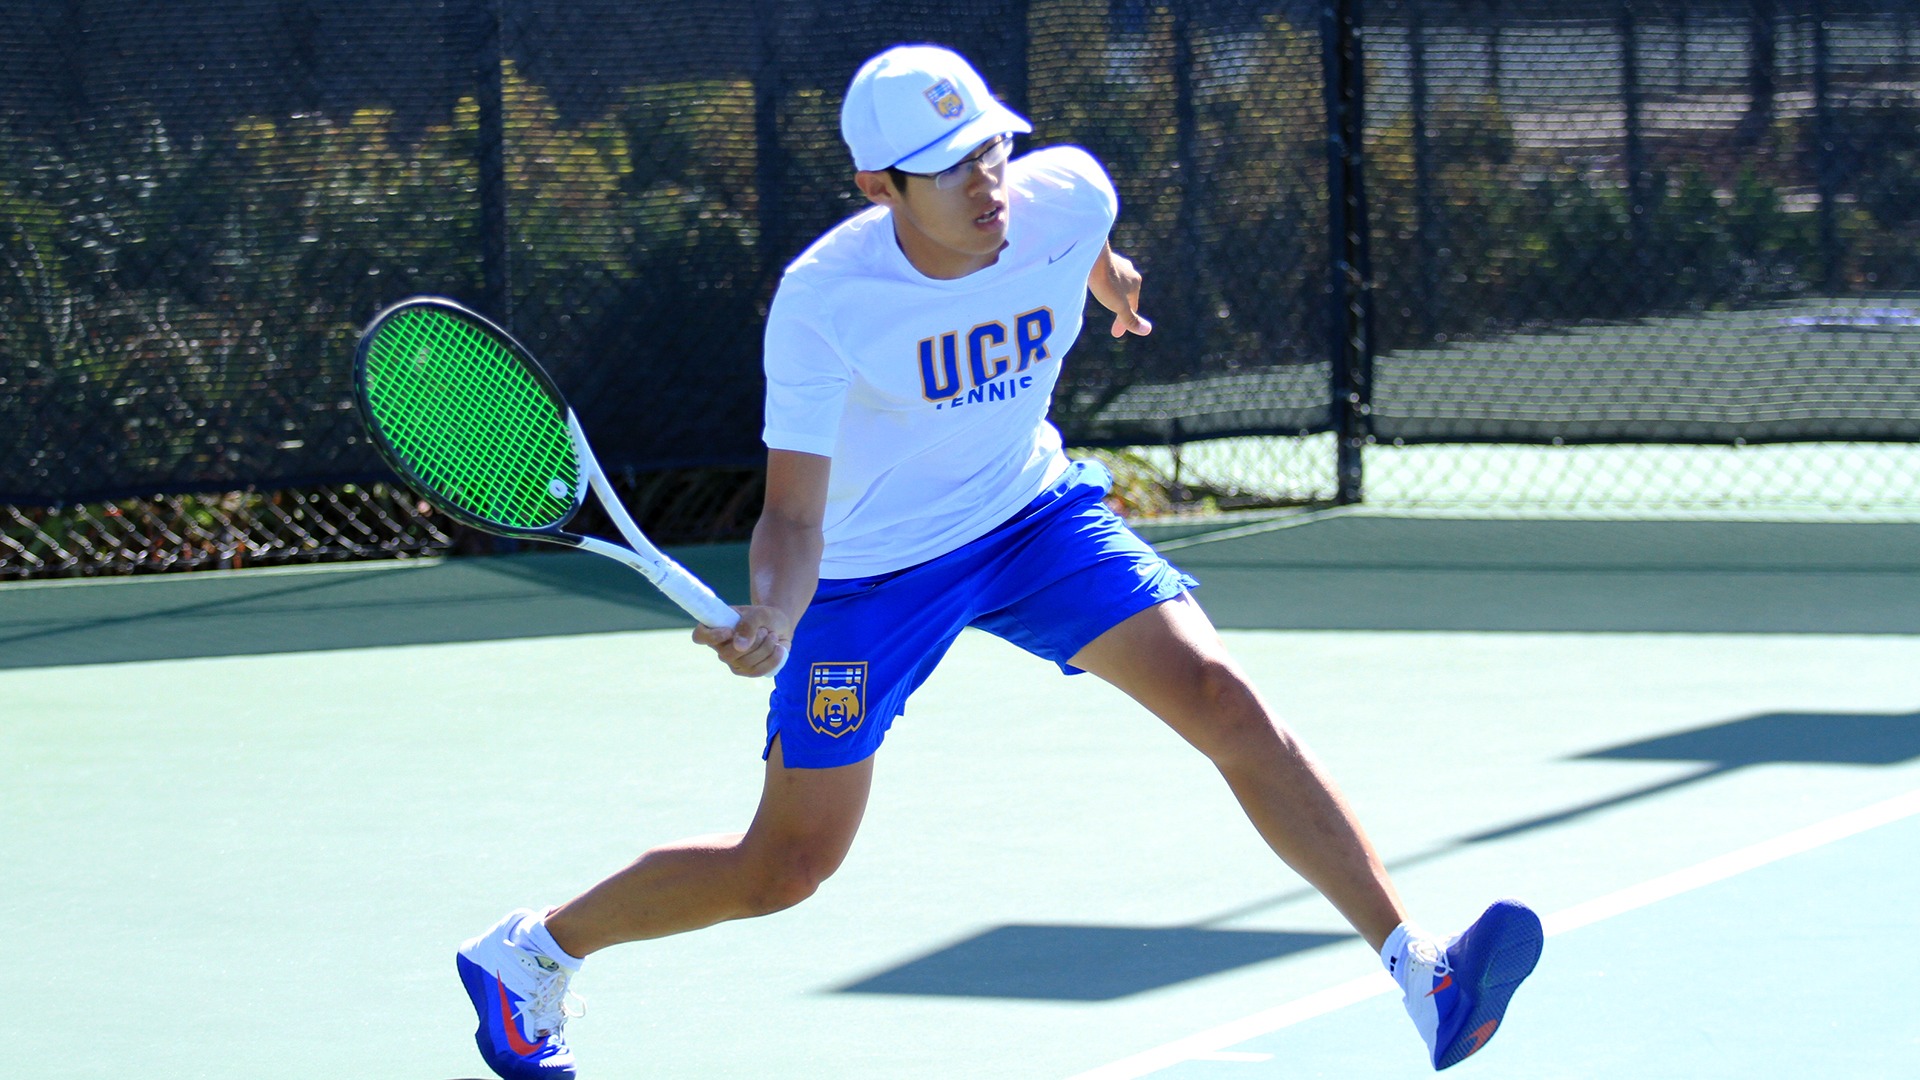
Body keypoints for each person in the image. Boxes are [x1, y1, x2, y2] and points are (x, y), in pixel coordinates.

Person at [454, 43, 1542, 1079]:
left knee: (1223, 697)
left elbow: (1086, 248)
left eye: (991, 150)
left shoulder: (1063, 197)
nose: (988, 184)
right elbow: (792, 515)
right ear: (880, 186)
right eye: (951, 169)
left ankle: (1424, 974)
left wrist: (1115, 287)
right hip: (870, 580)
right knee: (785, 868)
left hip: (1029, 519)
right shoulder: (827, 302)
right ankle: (534, 954)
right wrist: (779, 616)